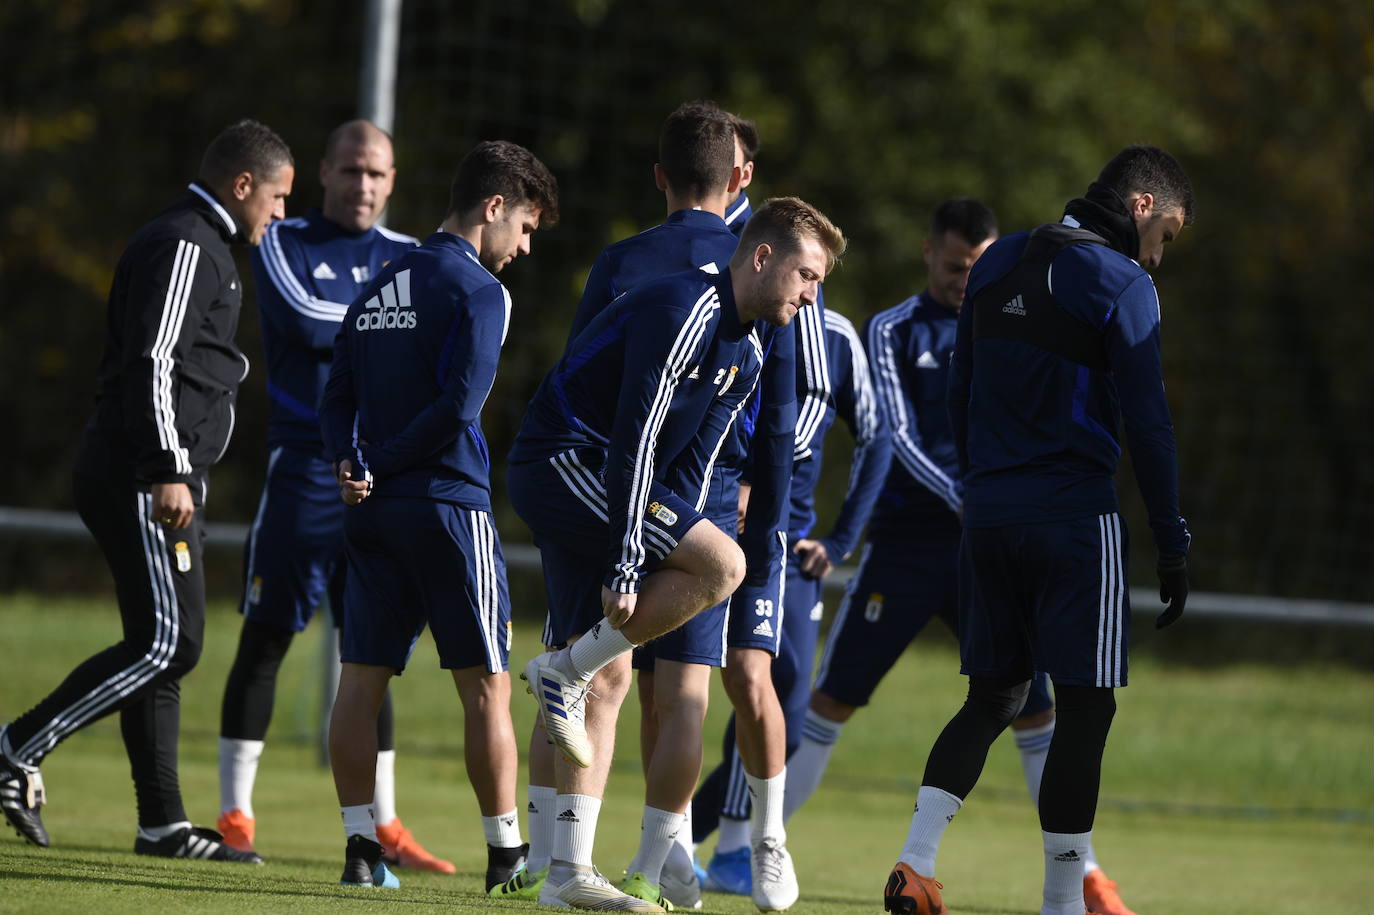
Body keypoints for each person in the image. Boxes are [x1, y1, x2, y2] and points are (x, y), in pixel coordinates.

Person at [792, 199, 1138, 915]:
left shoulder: (1015, 315)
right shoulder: (894, 327)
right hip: (915, 544)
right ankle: (754, 844)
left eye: (976, 268)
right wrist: (973, 492)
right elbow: (893, 434)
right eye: (954, 267)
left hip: (992, 538)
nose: (963, 280)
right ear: (929, 253)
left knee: (1032, 710)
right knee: (835, 697)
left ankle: (1084, 878)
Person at [507, 197, 844, 911]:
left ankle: (565, 873)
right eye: (807, 276)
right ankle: (561, 673)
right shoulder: (686, 308)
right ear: (761, 257)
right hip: (561, 461)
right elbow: (635, 437)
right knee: (724, 565)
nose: (812, 295)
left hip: (615, 482)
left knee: (613, 670)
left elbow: (686, 472)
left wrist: (667, 547)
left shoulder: (750, 349)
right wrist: (631, 560)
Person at [882, 147, 1193, 915]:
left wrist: (978, 486)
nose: (1162, 254)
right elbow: (1150, 426)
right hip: (1074, 520)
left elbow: (960, 392)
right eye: (1169, 235)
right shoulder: (1125, 283)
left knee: (993, 696)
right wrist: (1172, 537)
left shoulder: (994, 265)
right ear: (1143, 208)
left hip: (986, 514)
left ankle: (914, 863)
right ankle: (1060, 904)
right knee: (1088, 707)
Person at [0, 120, 293, 862]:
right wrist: (168, 465)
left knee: (160, 643)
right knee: (172, 641)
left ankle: (161, 823)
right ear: (242, 185)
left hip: (162, 472)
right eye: (279, 196)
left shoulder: (206, 244)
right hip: (143, 473)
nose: (282, 213)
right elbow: (153, 360)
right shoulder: (187, 242)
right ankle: (15, 746)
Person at [493, 101, 755, 910]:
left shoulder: (620, 259)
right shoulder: (756, 266)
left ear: (659, 177)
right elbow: (757, 408)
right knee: (675, 690)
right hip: (684, 492)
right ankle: (652, 855)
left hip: (601, 479)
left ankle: (548, 860)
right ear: (741, 179)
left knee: (589, 667)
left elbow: (584, 371)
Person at [318, 140, 558, 889]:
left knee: (359, 681)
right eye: (523, 226)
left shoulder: (380, 282)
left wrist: (350, 462)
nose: (523, 246)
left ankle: (362, 851)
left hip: (373, 511)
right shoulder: (481, 293)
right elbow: (459, 408)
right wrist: (385, 459)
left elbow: (335, 397)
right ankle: (505, 856)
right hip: (448, 507)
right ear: (493, 206)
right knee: (484, 683)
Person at [215, 119, 452, 873]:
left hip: (382, 475)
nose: (365, 185)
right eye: (351, 171)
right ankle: (234, 814)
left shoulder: (413, 255)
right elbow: (306, 321)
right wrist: (390, 328)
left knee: (371, 648)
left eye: (378, 173)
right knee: (268, 635)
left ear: (393, 178)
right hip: (305, 470)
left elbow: (439, 350)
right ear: (324, 172)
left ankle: (385, 827)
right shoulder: (284, 240)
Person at [689, 302, 892, 896]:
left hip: (788, 547)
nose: (805, 291)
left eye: (815, 278)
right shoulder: (729, 317)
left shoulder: (836, 336)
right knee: (687, 687)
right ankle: (680, 844)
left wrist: (842, 538)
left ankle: (729, 847)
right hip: (709, 529)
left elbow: (873, 435)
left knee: (783, 697)